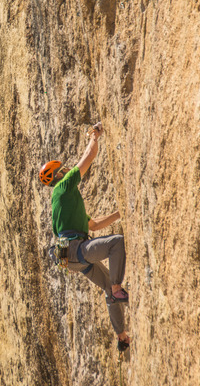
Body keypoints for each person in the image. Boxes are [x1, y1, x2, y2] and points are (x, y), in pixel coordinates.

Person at [39, 122, 132, 351]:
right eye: (62, 169)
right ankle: (118, 288)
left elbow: (94, 224)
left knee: (107, 288)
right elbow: (88, 156)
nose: (66, 169)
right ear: (57, 175)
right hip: (76, 250)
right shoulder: (64, 186)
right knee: (116, 244)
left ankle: (121, 335)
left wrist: (121, 214)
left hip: (71, 258)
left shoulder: (62, 202)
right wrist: (94, 135)